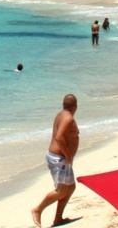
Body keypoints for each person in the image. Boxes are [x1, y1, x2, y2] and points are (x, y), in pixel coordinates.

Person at [32, 94, 79, 228]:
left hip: (61, 158)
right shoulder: (68, 118)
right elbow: (59, 137)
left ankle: (58, 218)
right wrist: (68, 155)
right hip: (60, 159)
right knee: (62, 191)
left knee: (70, 188)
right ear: (75, 106)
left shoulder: (61, 114)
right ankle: (38, 209)